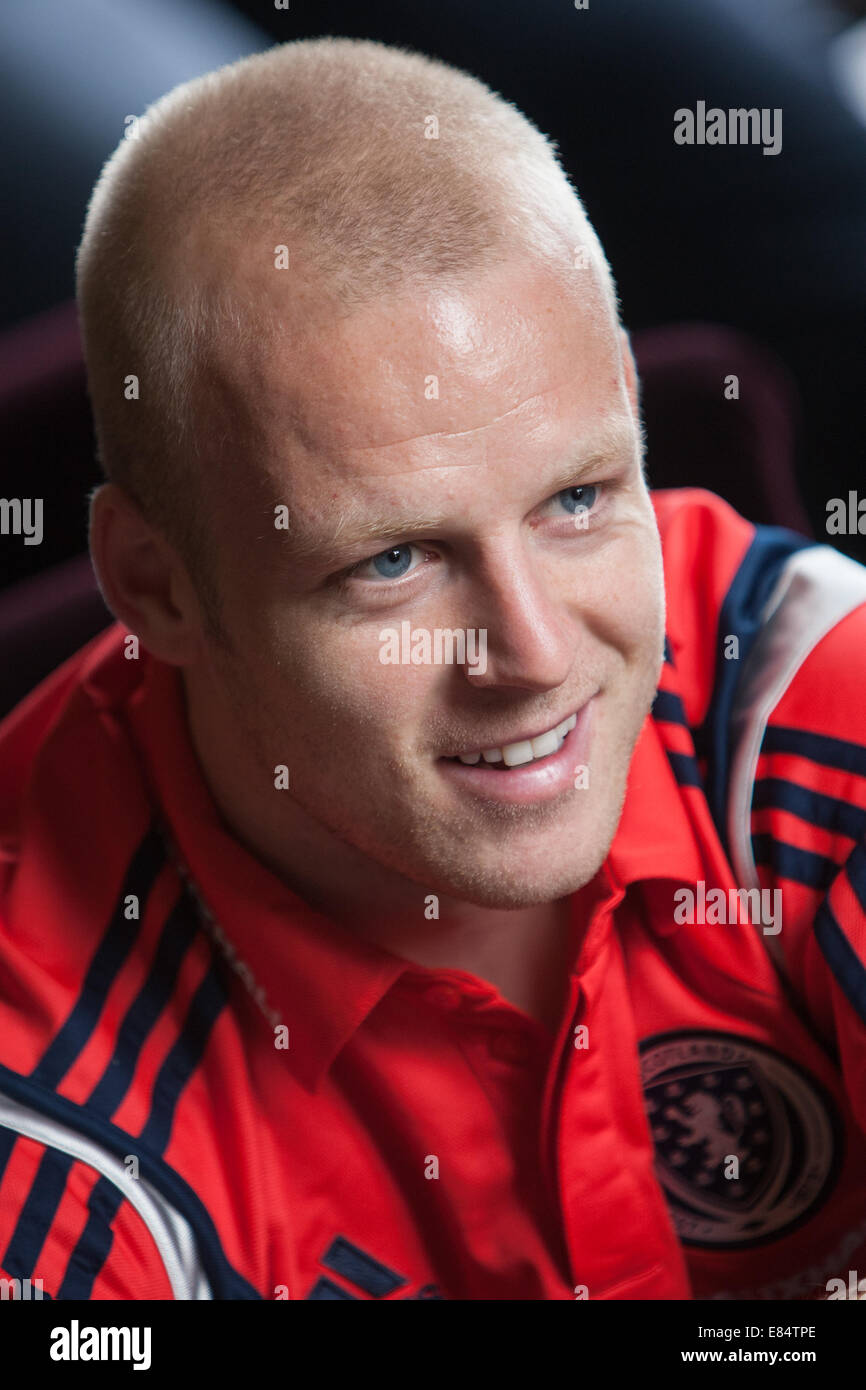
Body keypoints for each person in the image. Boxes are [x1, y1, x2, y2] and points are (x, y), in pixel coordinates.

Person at [0, 37, 865, 1302]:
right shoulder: (42, 1127)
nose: (533, 653)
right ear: (157, 587)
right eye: (392, 559)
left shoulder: (808, 687)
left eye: (575, 498)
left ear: (626, 410)